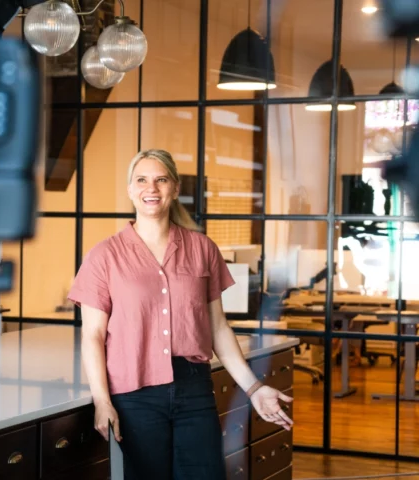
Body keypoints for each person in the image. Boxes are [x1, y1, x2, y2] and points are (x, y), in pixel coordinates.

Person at [67, 149, 293, 480]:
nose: (151, 189)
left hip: (194, 388)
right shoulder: (104, 256)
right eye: (142, 180)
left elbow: (217, 328)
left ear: (174, 188)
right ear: (130, 189)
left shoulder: (202, 249)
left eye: (161, 180)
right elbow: (93, 336)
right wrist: (102, 401)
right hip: (134, 395)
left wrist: (254, 388)